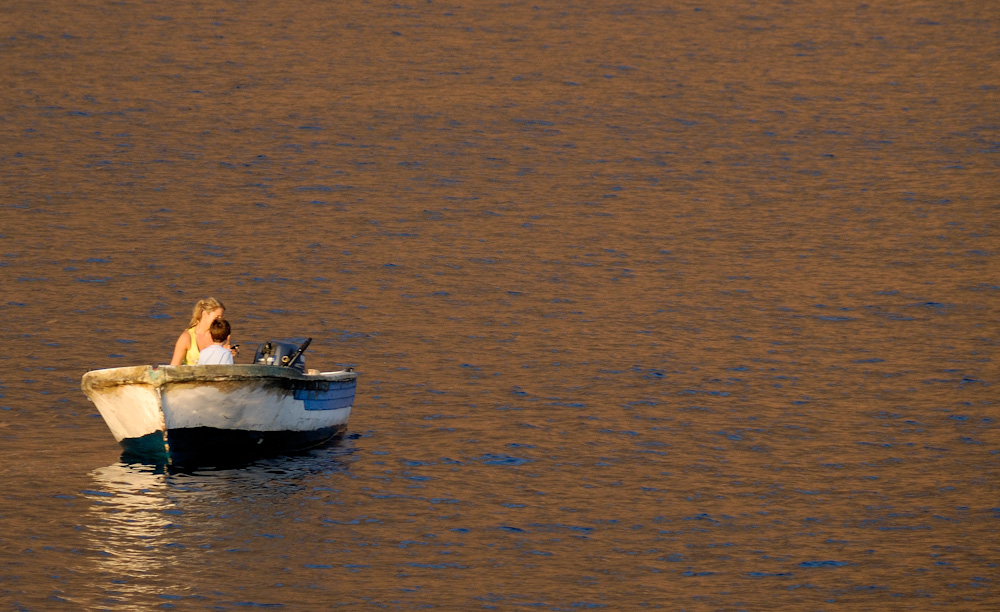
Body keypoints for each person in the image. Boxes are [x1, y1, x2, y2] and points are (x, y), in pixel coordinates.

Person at [169, 297, 226, 366]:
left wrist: (232, 351)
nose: (220, 321)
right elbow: (174, 366)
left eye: (221, 318)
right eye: (217, 317)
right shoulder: (186, 338)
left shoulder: (221, 335)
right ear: (204, 314)